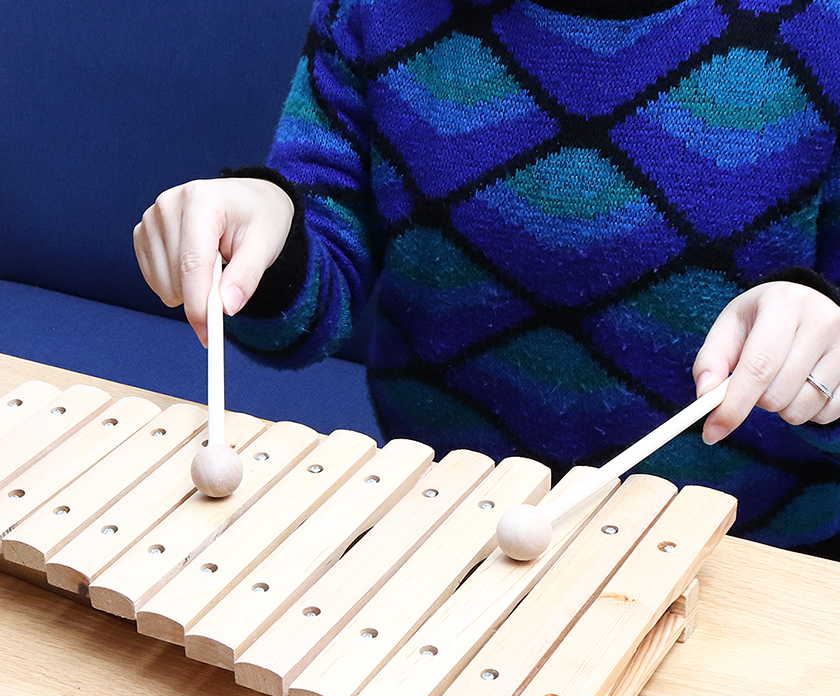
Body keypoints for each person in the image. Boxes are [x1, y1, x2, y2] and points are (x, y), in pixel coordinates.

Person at [134, 0, 840, 558]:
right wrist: (264, 235)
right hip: (450, 536)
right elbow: (311, 306)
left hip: (751, 561)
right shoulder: (374, 13)